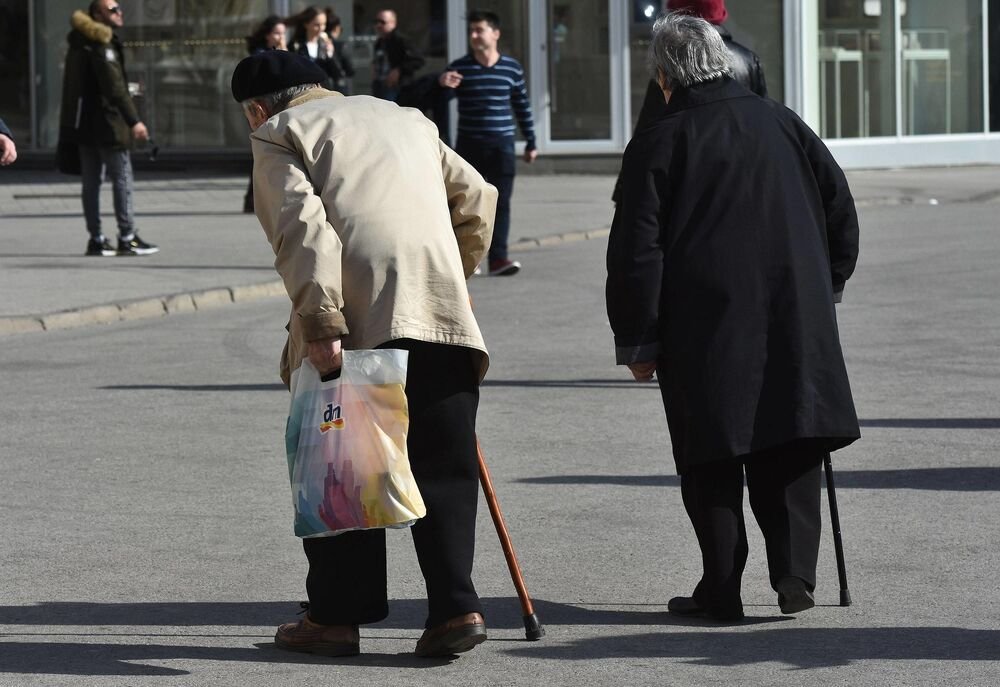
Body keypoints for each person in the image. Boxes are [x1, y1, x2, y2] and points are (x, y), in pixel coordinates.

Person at [230, 50, 498, 658]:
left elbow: (303, 231)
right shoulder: (406, 118)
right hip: (439, 313)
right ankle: (456, 609)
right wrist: (453, 277)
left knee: (340, 467)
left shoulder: (278, 133)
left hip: (357, 323)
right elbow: (477, 198)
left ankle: (336, 618)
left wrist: (321, 322)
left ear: (255, 110)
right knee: (445, 465)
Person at [606, 13, 860, 621]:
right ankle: (794, 573)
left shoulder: (660, 140)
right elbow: (840, 210)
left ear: (665, 77)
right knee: (791, 435)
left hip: (703, 321)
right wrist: (828, 284)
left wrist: (638, 338)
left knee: (712, 450)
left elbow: (637, 250)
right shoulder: (783, 122)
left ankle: (721, 588)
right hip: (794, 310)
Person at [613, 0, 768, 204]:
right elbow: (761, 122)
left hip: (689, 177)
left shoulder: (671, 61)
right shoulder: (748, 59)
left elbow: (648, 128)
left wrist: (625, 188)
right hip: (740, 173)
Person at [439, 10, 537, 277]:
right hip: (468, 147)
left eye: (479, 30)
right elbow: (440, 102)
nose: (473, 35)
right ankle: (468, 259)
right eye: (471, 31)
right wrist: (442, 85)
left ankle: (499, 259)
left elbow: (522, 106)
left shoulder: (511, 69)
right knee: (465, 204)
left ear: (495, 34)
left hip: (502, 145)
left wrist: (531, 141)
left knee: (501, 203)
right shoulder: (459, 68)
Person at [59, 0, 158, 257]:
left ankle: (96, 239)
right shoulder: (101, 44)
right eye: (113, 10)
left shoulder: (79, 42)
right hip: (108, 123)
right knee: (122, 177)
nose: (119, 12)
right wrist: (134, 120)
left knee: (91, 182)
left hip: (84, 124)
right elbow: (114, 88)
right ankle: (127, 237)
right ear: (97, 14)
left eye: (118, 8)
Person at [243, 15, 287, 213]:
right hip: (261, 108)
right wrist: (283, 53)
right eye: (277, 33)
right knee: (262, 151)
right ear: (267, 35)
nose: (281, 37)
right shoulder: (260, 55)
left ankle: (259, 197)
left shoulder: (280, 52)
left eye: (283, 33)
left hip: (277, 107)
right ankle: (254, 198)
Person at [287, 6, 351, 96]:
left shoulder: (328, 44)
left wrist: (330, 55)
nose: (321, 28)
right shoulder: (296, 45)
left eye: (324, 24)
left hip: (326, 91)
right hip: (304, 93)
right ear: (306, 24)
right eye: (317, 25)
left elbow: (337, 74)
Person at [371, 9, 424, 101]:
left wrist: (398, 70)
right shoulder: (379, 42)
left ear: (393, 23)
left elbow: (418, 60)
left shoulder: (401, 40)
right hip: (380, 85)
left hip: (396, 87)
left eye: (382, 22)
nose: (378, 25)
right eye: (376, 22)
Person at [323, 10, 355, 94]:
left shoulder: (316, 45)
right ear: (337, 28)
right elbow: (350, 70)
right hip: (339, 89)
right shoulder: (341, 46)